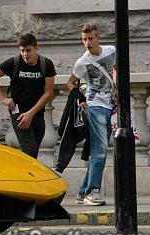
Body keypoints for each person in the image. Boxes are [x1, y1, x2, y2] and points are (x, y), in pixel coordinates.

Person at [66, 23, 116, 206]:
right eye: (84, 39)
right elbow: (70, 83)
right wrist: (80, 97)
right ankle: (92, 192)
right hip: (93, 106)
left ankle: (82, 191)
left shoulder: (111, 51)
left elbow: (116, 69)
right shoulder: (82, 62)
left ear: (98, 38)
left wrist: (116, 86)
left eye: (90, 39)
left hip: (110, 106)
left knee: (100, 149)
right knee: (100, 150)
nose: (87, 43)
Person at [0, 33, 56, 158]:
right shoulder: (15, 62)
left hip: (37, 113)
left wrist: (31, 113)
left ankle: (28, 176)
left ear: (36, 49)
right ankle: (29, 177)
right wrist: (4, 99)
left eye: (28, 50)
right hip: (18, 112)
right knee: (29, 151)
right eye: (22, 50)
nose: (25, 54)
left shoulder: (46, 64)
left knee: (34, 152)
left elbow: (48, 93)